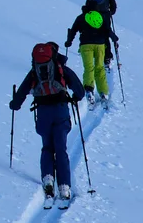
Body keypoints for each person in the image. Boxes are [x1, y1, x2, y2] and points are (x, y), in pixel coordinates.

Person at [9, 42, 86, 205]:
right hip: (60, 110)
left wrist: (15, 104)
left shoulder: (34, 71)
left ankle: (48, 179)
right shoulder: (61, 69)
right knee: (61, 148)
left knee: (47, 147)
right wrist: (75, 98)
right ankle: (64, 186)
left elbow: (22, 92)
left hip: (43, 112)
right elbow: (79, 90)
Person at [64, 3, 119, 105]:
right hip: (100, 45)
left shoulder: (81, 17)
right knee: (99, 68)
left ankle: (89, 89)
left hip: (86, 45)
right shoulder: (100, 17)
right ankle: (103, 92)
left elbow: (73, 30)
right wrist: (114, 38)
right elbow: (107, 30)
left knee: (89, 67)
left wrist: (69, 42)